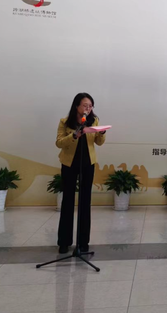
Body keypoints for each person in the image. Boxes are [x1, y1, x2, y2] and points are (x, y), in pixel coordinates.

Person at [55, 92, 107, 254]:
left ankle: (83, 243)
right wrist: (74, 135)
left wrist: (102, 134)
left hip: (87, 164)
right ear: (77, 106)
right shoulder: (65, 122)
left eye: (90, 106)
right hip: (69, 164)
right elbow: (59, 143)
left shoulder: (94, 121)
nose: (88, 109)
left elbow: (99, 142)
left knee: (85, 201)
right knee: (68, 200)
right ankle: (64, 242)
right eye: (85, 105)